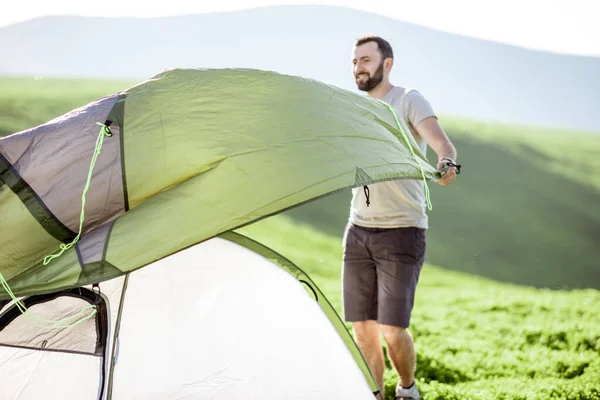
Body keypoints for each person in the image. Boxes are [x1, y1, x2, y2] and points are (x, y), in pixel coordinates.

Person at [343, 35, 459, 400]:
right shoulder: (353, 108)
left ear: (386, 64)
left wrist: (446, 162)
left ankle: (407, 391)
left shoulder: (407, 99)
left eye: (365, 59)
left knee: (392, 330)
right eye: (354, 61)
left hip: (402, 231)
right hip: (358, 229)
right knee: (363, 327)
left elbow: (442, 144)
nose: (358, 67)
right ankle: (375, 395)